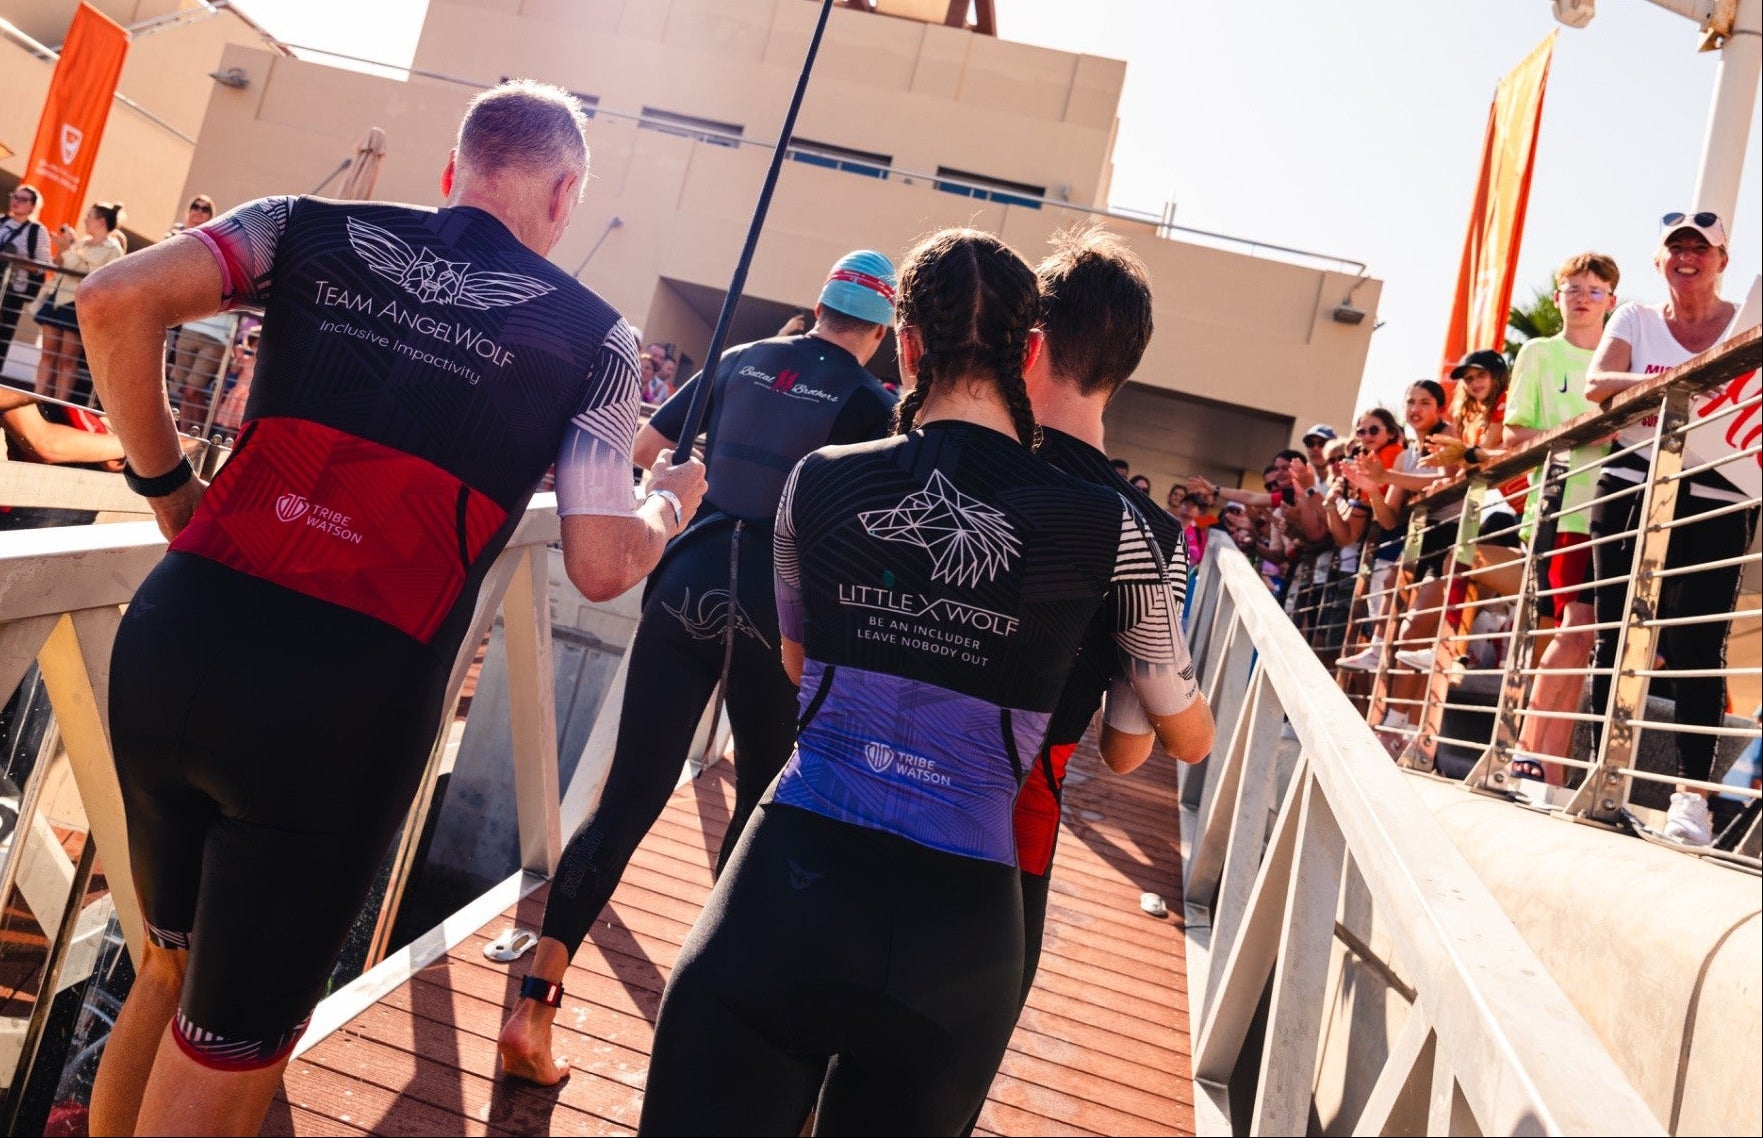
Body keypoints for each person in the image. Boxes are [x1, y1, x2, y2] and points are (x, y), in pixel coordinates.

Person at [75, 79, 706, 1136]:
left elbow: (109, 300)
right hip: (337, 709)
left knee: (162, 968)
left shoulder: (300, 224)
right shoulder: (594, 340)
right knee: (226, 1053)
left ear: (453, 173)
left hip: (175, 641)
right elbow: (600, 560)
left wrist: (167, 490)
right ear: (563, 194)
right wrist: (666, 507)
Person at [637, 228, 1207, 1135]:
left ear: (904, 344)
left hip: (788, 887)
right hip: (963, 930)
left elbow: (795, 669)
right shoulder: (1118, 528)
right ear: (1026, 352)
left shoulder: (819, 481)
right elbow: (1158, 731)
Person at [497, 251, 898, 1086]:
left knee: (624, 801)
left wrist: (686, 493)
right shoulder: (870, 405)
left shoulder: (740, 361)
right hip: (774, 612)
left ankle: (532, 1010)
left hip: (685, 584)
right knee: (757, 812)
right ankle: (726, 1036)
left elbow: (643, 447)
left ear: (817, 301)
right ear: (883, 327)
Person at [993, 226, 1210, 1100]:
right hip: (1011, 831)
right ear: (1124, 368)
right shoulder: (1153, 538)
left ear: (1029, 342)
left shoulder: (943, 462)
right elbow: (1127, 750)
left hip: (857, 795)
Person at [1585, 211, 1756, 846]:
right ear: (1659, 262)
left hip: (1721, 488)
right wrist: (1685, 385)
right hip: (1632, 480)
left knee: (1695, 645)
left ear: (1722, 261)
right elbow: (1597, 386)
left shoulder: (1748, 323)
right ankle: (1601, 774)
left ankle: (1692, 798)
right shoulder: (1633, 317)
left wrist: (1652, 396)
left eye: (1701, 249)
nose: (1688, 257)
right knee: (1615, 632)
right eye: (1675, 248)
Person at [1438, 253, 1620, 787]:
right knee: (1572, 631)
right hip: (1562, 506)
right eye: (1573, 288)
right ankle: (1529, 753)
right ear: (1560, 296)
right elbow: (1515, 438)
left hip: (1620, 505)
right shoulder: (1540, 353)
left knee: (1587, 638)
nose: (1583, 297)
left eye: (1595, 289)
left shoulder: (1622, 353)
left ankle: (1552, 768)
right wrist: (1589, 433)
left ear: (1611, 300)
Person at [34, 201, 126, 403]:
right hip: (57, 297)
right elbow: (60, 263)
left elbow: (91, 275)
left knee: (68, 359)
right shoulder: (82, 242)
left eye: (89, 216)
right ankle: (37, 400)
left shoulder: (113, 249)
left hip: (79, 304)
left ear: (101, 221)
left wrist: (68, 250)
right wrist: (62, 248)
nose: (85, 220)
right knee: (48, 354)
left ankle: (58, 405)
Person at [0, 185, 51, 352]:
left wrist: (20, 261)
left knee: (2, 337)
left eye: (23, 199)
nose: (17, 201)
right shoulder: (2, 221)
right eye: (15, 196)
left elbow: (42, 266)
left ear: (32, 206)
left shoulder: (37, 231)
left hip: (12, 291)